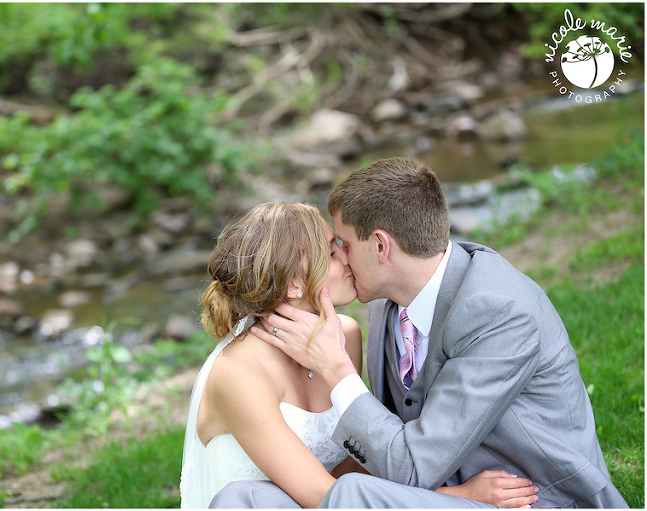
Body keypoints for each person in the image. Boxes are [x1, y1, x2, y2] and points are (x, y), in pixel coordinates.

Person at [244, 157, 629, 508]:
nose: (339, 258)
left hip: (532, 499)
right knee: (242, 497)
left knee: (350, 494)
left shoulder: (499, 312)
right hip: (447, 494)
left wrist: (337, 370)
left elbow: (410, 466)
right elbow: (390, 441)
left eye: (343, 244)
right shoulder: (385, 301)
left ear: (381, 246)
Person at [180, 201, 540, 509]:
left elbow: (349, 467)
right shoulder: (239, 375)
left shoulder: (344, 334)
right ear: (292, 284)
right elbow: (322, 496)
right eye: (332, 252)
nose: (348, 257)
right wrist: (457, 498)